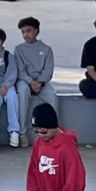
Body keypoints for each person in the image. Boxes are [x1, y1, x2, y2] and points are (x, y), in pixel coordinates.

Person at [14, 17, 58, 147]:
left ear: (36, 31)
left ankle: (54, 131)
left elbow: (48, 70)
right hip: (25, 81)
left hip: (41, 82)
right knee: (22, 92)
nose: (25, 34)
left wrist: (40, 82)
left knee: (52, 95)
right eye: (23, 32)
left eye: (28, 31)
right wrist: (30, 82)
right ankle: (22, 132)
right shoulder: (19, 49)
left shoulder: (46, 49)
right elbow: (20, 70)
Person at [0, 28, 21, 149]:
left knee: (12, 97)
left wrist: (6, 85)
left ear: (0, 42)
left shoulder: (8, 56)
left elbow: (12, 73)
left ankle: (14, 131)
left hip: (6, 83)